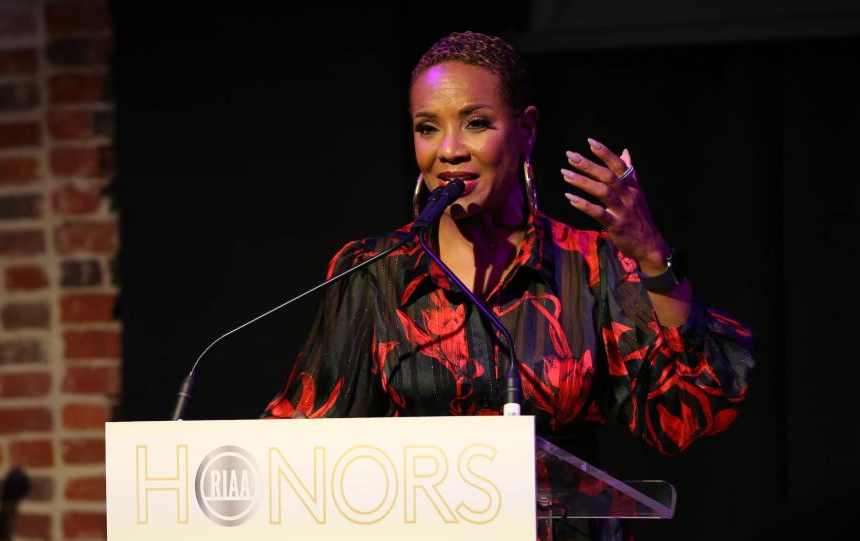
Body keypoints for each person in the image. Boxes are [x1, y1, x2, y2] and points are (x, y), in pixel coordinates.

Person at [262, 31, 754, 540]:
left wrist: (652, 256)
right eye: (427, 128)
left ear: (526, 130)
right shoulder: (376, 271)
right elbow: (304, 441)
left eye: (476, 123)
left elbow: (687, 413)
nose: (449, 150)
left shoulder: (590, 266)